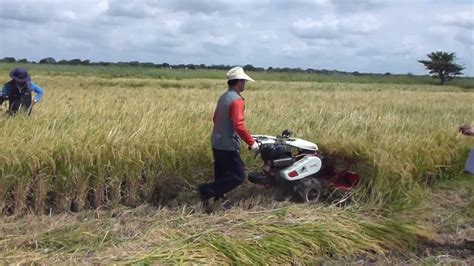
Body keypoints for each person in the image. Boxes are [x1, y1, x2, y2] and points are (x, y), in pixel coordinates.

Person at [198, 66, 259, 212]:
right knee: (238, 175)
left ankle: (218, 202)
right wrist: (251, 142)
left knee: (222, 174)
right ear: (239, 82)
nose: (245, 84)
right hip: (227, 144)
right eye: (244, 81)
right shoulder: (237, 100)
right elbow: (238, 124)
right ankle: (205, 190)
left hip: (216, 140)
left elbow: (215, 118)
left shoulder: (224, 97)